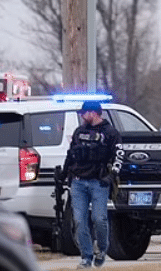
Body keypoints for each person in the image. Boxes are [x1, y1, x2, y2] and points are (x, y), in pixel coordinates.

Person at [60, 101, 123, 269]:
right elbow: (71, 154)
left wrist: (111, 176)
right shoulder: (79, 132)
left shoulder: (110, 133)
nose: (82, 116)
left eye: (84, 113)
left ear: (93, 113)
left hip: (98, 182)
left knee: (99, 218)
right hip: (78, 182)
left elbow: (119, 156)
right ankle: (86, 257)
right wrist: (64, 174)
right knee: (79, 221)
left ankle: (101, 249)